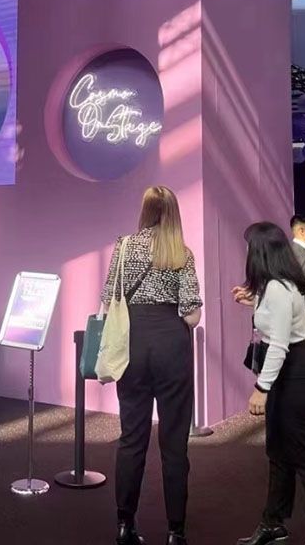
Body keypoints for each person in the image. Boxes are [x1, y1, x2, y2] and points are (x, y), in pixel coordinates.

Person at [101, 186, 202, 545]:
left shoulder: (124, 246)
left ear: (145, 209)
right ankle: (176, 531)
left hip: (132, 343)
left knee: (132, 438)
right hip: (172, 346)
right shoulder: (181, 252)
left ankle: (125, 525)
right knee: (174, 444)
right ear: (173, 212)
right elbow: (192, 315)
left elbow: (108, 300)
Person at [232, 222, 305, 545]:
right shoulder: (275, 286)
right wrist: (254, 300)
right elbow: (280, 322)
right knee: (278, 452)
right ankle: (273, 522)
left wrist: (260, 390)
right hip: (288, 374)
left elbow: (279, 344)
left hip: (293, 375)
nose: (246, 251)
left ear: (260, 252)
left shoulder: (278, 288)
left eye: (249, 246)